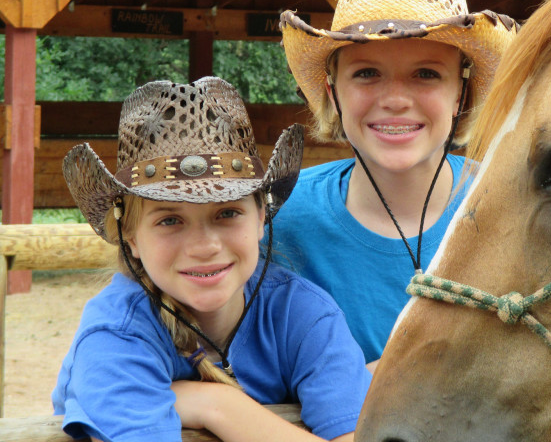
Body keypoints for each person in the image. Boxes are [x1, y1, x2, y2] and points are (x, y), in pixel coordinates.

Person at [52, 77, 371, 442]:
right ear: (131, 238)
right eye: (170, 220)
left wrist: (219, 407)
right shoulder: (115, 334)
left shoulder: (304, 315)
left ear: (261, 218)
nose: (204, 246)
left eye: (227, 213)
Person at [272, 0, 518, 367]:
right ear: (334, 91)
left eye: (426, 74)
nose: (396, 100)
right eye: (367, 73)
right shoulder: (276, 220)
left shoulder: (514, 207)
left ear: (461, 92)